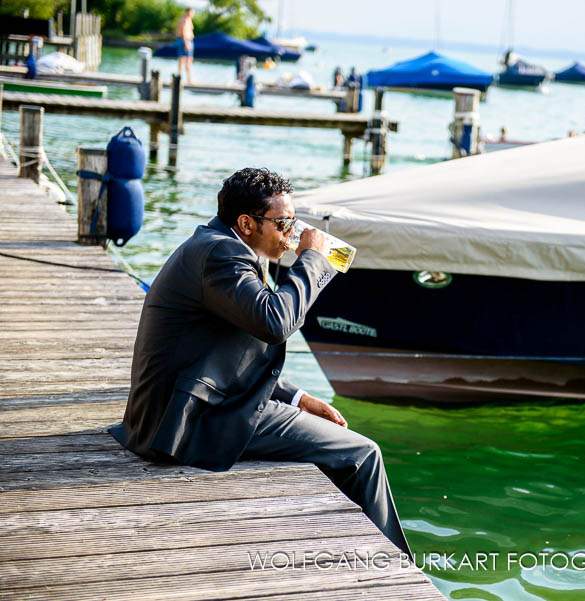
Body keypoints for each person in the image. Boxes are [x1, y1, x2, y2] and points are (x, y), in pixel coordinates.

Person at [108, 168, 412, 557]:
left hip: (184, 408)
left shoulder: (217, 246)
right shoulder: (223, 255)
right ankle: (392, 568)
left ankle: (344, 551)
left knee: (342, 449)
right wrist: (313, 260)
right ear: (247, 223)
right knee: (362, 455)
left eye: (293, 222)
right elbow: (275, 323)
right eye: (284, 223)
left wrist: (298, 397)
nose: (291, 233)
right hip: (189, 422)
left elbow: (231, 351)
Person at [176, 7, 195, 84]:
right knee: (184, 59)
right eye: (191, 12)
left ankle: (185, 78)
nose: (192, 14)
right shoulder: (184, 20)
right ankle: (184, 79)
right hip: (185, 40)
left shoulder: (188, 20)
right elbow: (183, 32)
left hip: (187, 40)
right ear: (187, 12)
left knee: (187, 59)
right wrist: (186, 43)